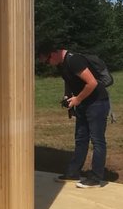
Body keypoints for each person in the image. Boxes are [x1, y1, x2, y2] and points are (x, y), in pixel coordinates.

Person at [35, 40, 111, 188]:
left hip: (97, 103)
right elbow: (69, 81)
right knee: (81, 138)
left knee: (97, 140)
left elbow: (92, 83)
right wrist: (67, 96)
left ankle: (96, 178)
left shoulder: (74, 60)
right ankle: (73, 173)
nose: (48, 64)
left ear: (54, 52)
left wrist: (77, 99)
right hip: (84, 103)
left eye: (48, 60)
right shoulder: (62, 64)